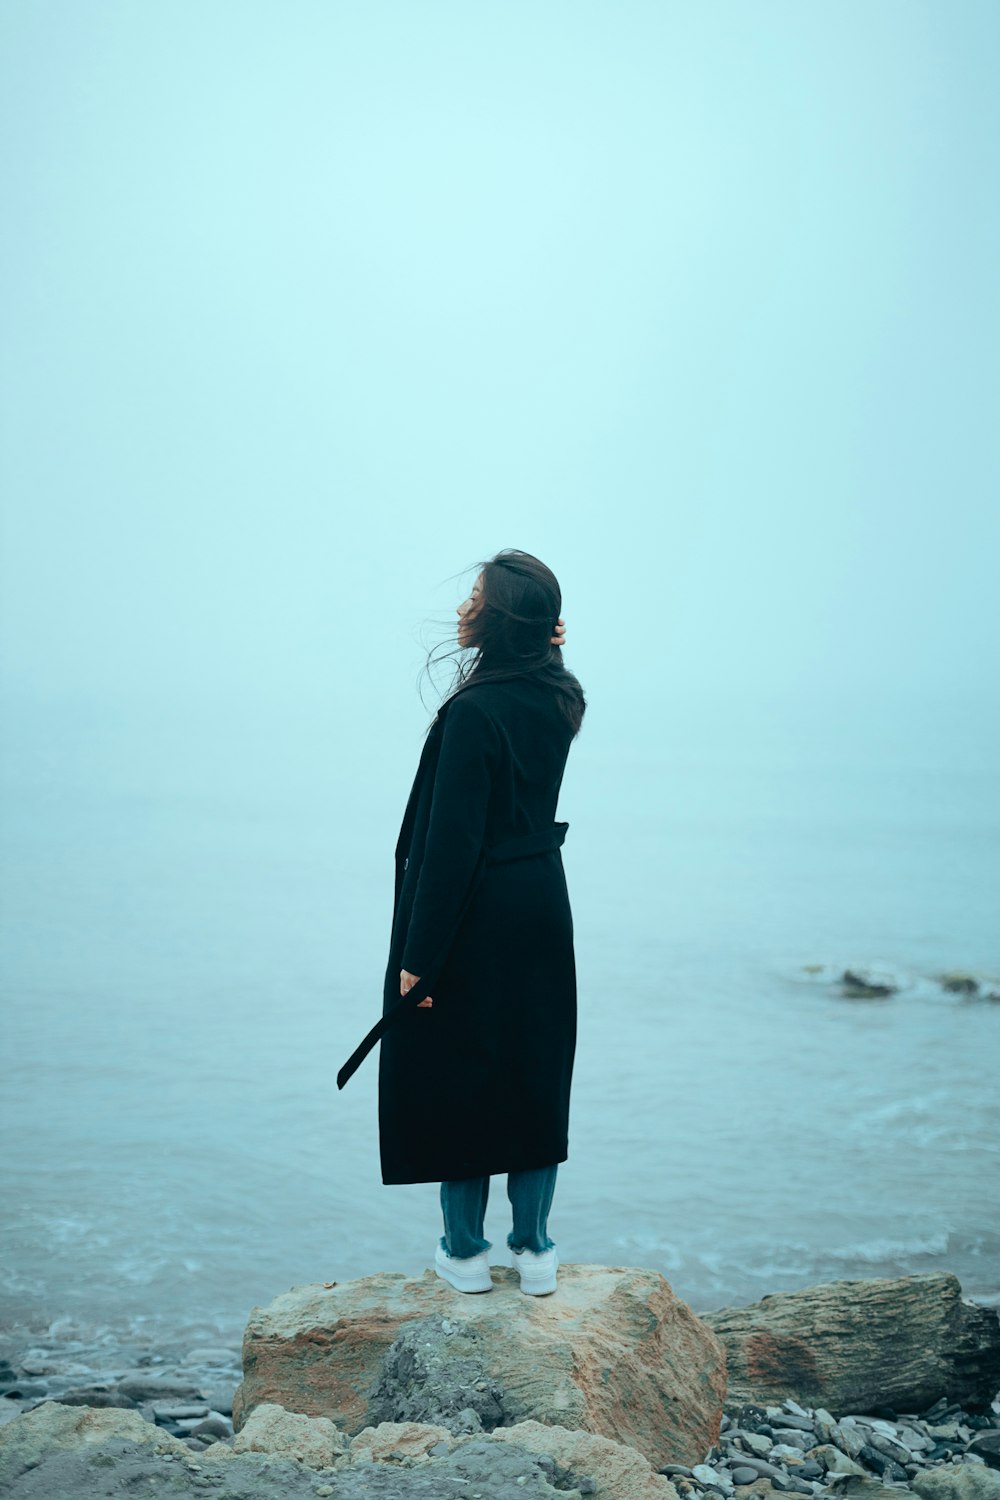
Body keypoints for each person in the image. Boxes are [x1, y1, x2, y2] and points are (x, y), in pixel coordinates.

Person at [337, 548, 586, 1297]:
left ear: (501, 620)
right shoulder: (560, 698)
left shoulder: (475, 713)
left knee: (460, 1074)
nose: (461, 610)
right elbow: (549, 669)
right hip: (541, 900)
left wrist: (419, 956)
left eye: (474, 598)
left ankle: (466, 1253)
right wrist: (549, 643)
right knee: (534, 1071)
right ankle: (536, 1251)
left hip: (477, 912)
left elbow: (448, 848)